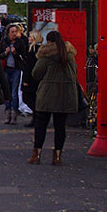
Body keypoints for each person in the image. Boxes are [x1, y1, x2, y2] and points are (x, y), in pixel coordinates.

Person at [28, 31, 79, 165]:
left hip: (47, 94)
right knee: (60, 126)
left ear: (49, 42)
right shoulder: (69, 55)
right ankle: (57, 156)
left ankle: (37, 155)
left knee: (41, 124)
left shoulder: (46, 55)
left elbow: (36, 73)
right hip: (65, 95)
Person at [0, 24, 27, 125]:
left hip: (16, 69)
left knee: (14, 92)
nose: (14, 34)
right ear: (8, 33)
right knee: (6, 91)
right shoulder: (4, 42)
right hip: (6, 69)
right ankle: (7, 112)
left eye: (15, 32)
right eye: (12, 32)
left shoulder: (20, 43)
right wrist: (5, 53)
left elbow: (24, 56)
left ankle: (14, 113)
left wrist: (16, 53)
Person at [21, 30, 44, 128]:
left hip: (30, 78)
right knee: (34, 98)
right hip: (37, 78)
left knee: (27, 97)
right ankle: (37, 116)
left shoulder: (32, 50)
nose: (28, 38)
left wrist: (25, 80)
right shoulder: (41, 49)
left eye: (30, 37)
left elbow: (28, 66)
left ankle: (36, 115)